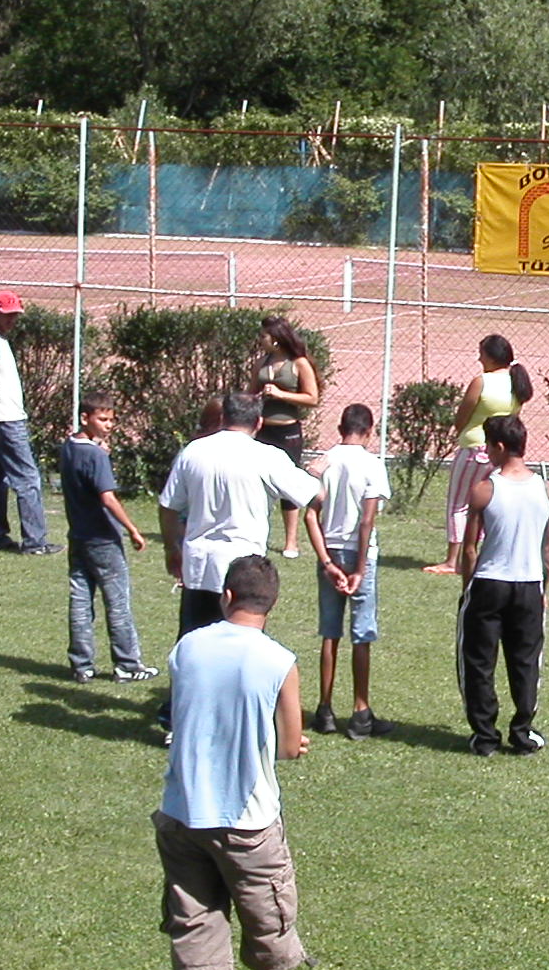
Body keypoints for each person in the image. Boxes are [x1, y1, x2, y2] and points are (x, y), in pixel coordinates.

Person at [155, 554, 315, 970]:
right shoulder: (279, 660)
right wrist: (292, 742)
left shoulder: (188, 647)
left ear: (227, 596)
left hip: (184, 811)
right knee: (268, 917)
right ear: (272, 604)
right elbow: (289, 746)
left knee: (194, 922)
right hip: (249, 820)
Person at [157, 389, 331, 646]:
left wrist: (172, 549)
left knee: (193, 644)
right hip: (243, 571)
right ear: (258, 422)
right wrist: (315, 473)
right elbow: (314, 494)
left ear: (223, 417)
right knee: (239, 648)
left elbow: (168, 506)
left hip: (198, 565)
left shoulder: (193, 452)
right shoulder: (268, 457)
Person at [458, 412, 549, 756]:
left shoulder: (485, 489)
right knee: (526, 661)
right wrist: (544, 589)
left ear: (500, 446)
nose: (486, 451)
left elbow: (469, 549)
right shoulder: (547, 491)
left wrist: (467, 588)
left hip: (489, 584)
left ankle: (485, 736)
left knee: (478, 662)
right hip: (529, 585)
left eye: (488, 445)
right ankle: (522, 731)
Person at [59, 391, 155, 684]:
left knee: (80, 599)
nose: (108, 425)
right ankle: (127, 664)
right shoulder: (96, 455)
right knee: (117, 602)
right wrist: (132, 529)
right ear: (84, 418)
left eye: (112, 420)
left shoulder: (68, 447)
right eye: (102, 419)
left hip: (78, 536)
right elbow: (108, 498)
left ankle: (81, 664)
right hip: (103, 539)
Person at [311, 402, 393, 740]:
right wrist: (359, 568)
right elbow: (366, 521)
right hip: (360, 554)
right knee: (362, 633)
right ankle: (360, 711)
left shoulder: (325, 461)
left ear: (340, 428)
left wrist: (327, 562)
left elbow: (311, 514)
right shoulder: (372, 464)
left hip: (329, 551)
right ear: (369, 431)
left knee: (330, 632)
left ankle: (324, 708)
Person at [428, 334, 531, 574]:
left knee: (459, 504)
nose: (479, 359)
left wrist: (462, 432)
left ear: (492, 357)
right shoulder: (517, 382)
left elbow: (462, 416)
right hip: (501, 451)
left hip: (475, 448)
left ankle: (452, 560)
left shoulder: (482, 382)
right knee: (489, 505)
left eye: (482, 354)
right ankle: (481, 555)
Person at [0, 290, 55, 555]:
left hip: (1, 419)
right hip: (6, 420)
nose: (11, 320)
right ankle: (35, 542)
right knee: (28, 479)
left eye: (15, 315)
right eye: (7, 315)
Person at [253, 316, 321, 560]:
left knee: (287, 484)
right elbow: (250, 391)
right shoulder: (261, 362)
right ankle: (257, 535)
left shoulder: (299, 363)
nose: (260, 340)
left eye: (263, 336)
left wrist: (281, 394)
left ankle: (291, 541)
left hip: (287, 432)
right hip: (261, 431)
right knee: (256, 484)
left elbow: (312, 398)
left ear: (276, 339)